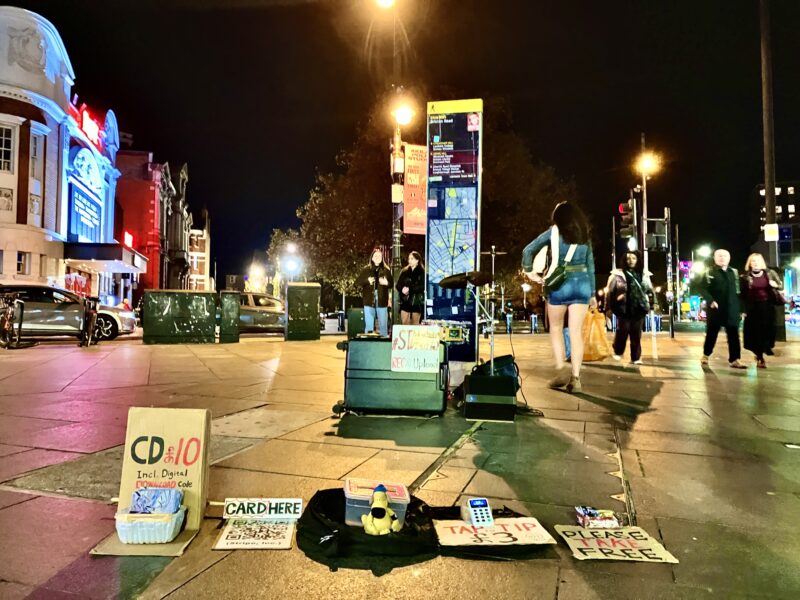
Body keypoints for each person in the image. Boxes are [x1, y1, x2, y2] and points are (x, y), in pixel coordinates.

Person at [522, 201, 595, 392]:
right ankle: (576, 379)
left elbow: (528, 250)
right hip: (582, 283)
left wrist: (530, 272)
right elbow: (591, 266)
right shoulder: (584, 236)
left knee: (555, 328)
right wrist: (593, 293)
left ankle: (561, 368)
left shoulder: (553, 232)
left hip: (560, 284)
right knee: (576, 332)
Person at [700, 249, 746, 368]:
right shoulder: (709, 272)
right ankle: (706, 355)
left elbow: (740, 292)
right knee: (712, 333)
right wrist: (710, 300)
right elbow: (702, 288)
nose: (722, 258)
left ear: (729, 258)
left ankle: (735, 359)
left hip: (732, 309)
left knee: (734, 336)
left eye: (725, 256)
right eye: (719, 256)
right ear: (714, 258)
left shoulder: (734, 272)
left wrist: (742, 309)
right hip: (715, 309)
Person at [606, 251, 652, 364]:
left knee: (636, 334)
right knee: (623, 331)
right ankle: (618, 350)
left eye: (633, 258)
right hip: (623, 308)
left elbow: (650, 290)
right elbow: (609, 292)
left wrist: (653, 303)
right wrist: (608, 308)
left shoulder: (644, 275)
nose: (631, 261)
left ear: (638, 260)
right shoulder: (617, 275)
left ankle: (636, 357)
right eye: (628, 258)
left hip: (639, 308)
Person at [740, 253, 783, 368]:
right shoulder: (745, 276)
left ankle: (764, 349)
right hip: (752, 308)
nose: (755, 263)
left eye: (758, 261)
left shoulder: (770, 273)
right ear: (749, 263)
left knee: (768, 330)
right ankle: (759, 356)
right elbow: (742, 295)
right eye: (753, 261)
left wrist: (775, 285)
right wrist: (742, 309)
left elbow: (780, 285)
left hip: (767, 306)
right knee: (755, 333)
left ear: (762, 262)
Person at [356, 248, 393, 337]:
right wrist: (367, 281)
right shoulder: (366, 270)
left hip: (382, 299)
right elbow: (357, 283)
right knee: (369, 325)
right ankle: (369, 342)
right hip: (369, 299)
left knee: (383, 324)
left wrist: (386, 283)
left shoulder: (386, 270)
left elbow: (391, 284)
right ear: (372, 258)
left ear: (382, 258)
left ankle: (383, 341)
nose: (377, 257)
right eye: (375, 256)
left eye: (379, 256)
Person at [395, 251, 425, 325]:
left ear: (417, 260)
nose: (410, 261)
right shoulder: (404, 271)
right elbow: (398, 285)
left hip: (416, 301)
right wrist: (402, 289)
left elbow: (422, 286)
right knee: (404, 322)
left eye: (412, 259)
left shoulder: (422, 272)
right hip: (405, 300)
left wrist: (410, 290)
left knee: (415, 324)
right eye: (409, 259)